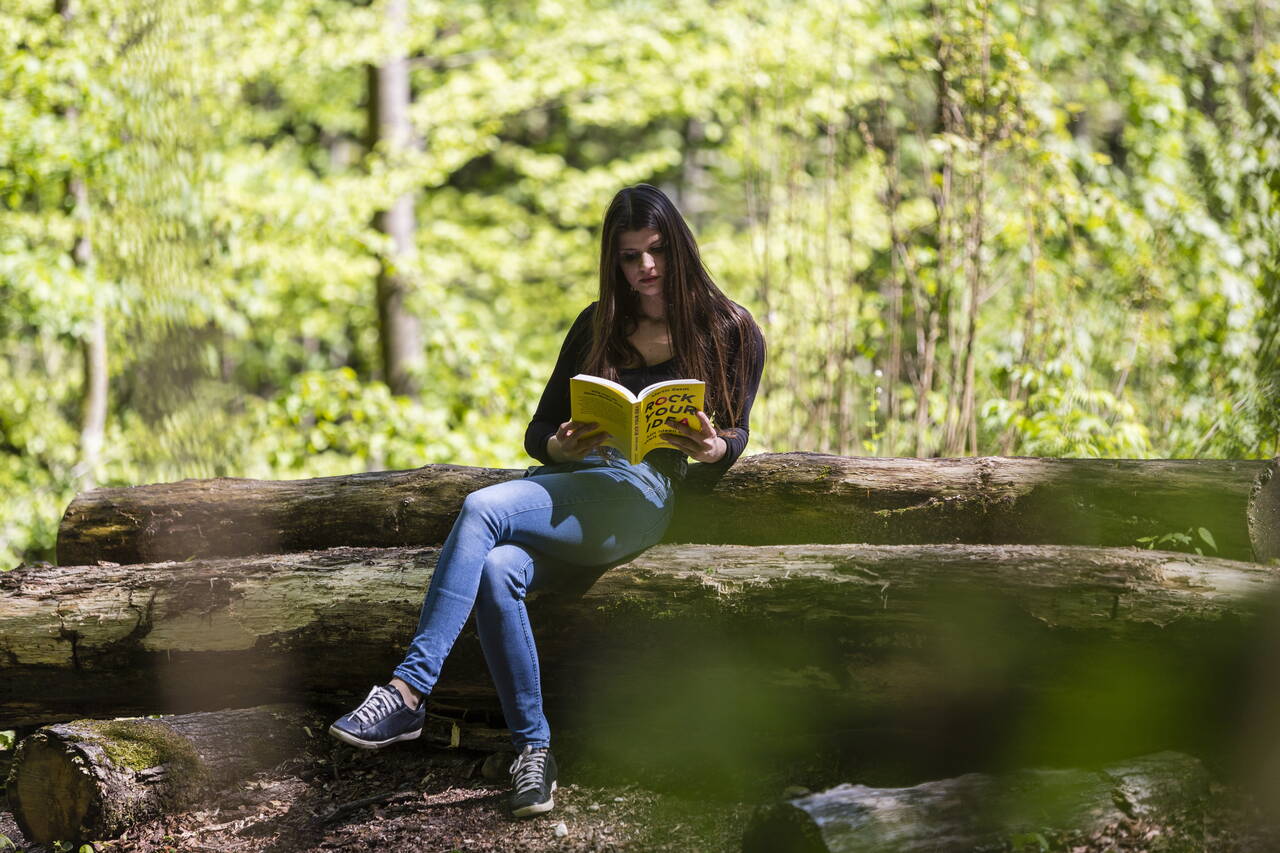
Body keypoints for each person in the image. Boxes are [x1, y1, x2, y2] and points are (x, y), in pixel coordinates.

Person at [329, 183, 766, 818]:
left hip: (644, 495)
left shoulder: (731, 328)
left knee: (483, 509)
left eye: (657, 251)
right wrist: (560, 449)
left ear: (680, 247)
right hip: (579, 488)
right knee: (499, 568)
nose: (645, 268)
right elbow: (537, 433)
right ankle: (533, 754)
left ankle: (407, 691)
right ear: (611, 261)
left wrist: (711, 451)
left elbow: (737, 436)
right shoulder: (598, 325)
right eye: (628, 256)